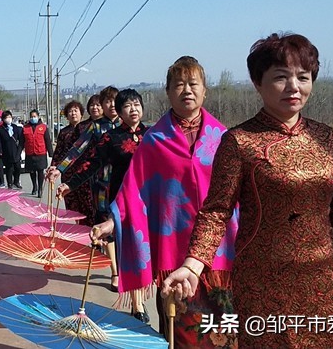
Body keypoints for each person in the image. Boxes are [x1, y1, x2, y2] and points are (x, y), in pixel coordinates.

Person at [162, 34, 333, 348]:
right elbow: (216, 211)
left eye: (303, 77)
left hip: (326, 282)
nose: (294, 86)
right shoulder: (240, 141)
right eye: (281, 77)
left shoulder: (326, 137)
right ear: (258, 82)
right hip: (264, 283)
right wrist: (192, 265)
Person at [91, 57, 238, 347]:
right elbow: (135, 190)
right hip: (174, 251)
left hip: (220, 252)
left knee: (224, 330)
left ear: (205, 90)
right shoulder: (154, 140)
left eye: (193, 84)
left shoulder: (224, 138)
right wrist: (112, 220)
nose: (187, 90)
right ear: (168, 92)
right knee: (181, 331)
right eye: (179, 84)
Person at [55, 89, 151, 321]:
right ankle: (137, 304)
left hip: (150, 201)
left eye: (137, 104)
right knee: (130, 248)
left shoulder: (153, 135)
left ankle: (144, 295)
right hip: (123, 201)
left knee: (148, 251)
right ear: (119, 111)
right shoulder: (111, 138)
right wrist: (69, 182)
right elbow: (90, 163)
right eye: (127, 106)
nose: (134, 109)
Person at [47, 86, 121, 287]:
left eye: (115, 101)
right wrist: (59, 169)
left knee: (127, 227)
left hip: (126, 186)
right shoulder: (95, 128)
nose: (111, 105)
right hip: (101, 185)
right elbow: (75, 151)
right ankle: (115, 272)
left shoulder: (128, 126)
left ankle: (124, 268)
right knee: (106, 223)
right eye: (107, 101)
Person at [51, 99, 94, 225]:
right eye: (70, 111)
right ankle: (78, 227)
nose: (73, 113)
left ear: (81, 113)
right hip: (68, 172)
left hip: (85, 172)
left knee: (88, 204)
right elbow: (58, 152)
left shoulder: (88, 128)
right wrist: (54, 167)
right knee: (72, 204)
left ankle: (89, 228)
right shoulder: (64, 132)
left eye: (76, 110)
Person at [22, 109, 53, 197]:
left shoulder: (43, 127)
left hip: (40, 153)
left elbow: (48, 141)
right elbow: (21, 142)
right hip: (30, 153)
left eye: (34, 116)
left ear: (38, 117)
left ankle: (40, 189)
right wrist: (18, 153)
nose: (33, 118)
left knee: (40, 171)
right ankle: (34, 187)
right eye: (31, 116)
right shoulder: (25, 128)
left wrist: (51, 153)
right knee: (31, 171)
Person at [0, 110, 24, 190]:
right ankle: (10, 183)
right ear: (3, 119)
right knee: (9, 169)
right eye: (6, 117)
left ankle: (16, 181)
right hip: (6, 151)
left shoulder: (15, 127)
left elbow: (21, 139)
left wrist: (20, 149)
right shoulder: (0, 129)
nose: (8, 119)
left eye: (9, 117)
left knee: (18, 167)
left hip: (16, 151)